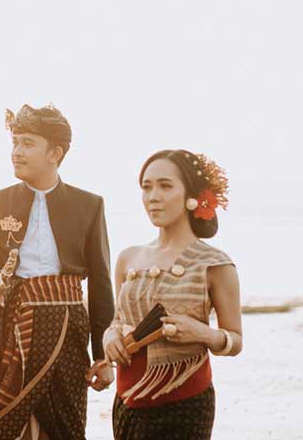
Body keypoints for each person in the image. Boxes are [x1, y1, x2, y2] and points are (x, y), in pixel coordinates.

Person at [0, 104, 115, 440]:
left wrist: (102, 356)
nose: (16, 152)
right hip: (5, 328)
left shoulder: (89, 205)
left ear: (55, 153)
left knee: (65, 428)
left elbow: (101, 285)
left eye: (27, 143)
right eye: (14, 142)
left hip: (67, 332)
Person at [101, 150, 242, 440]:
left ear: (192, 195)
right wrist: (109, 337)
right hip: (127, 401)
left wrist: (202, 333)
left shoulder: (214, 264)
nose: (153, 196)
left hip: (186, 402)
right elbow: (118, 320)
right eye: (147, 187)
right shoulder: (128, 258)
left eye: (165, 186)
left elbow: (235, 340)